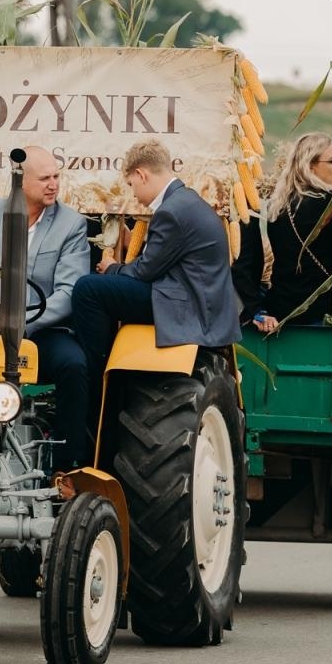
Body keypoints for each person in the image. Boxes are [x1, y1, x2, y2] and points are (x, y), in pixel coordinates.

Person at [69, 139, 240, 454]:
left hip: (187, 303)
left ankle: (96, 373)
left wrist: (111, 267)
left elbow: (143, 272)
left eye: (132, 184)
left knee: (87, 289)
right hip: (195, 296)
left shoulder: (171, 212)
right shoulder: (187, 202)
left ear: (142, 174)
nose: (134, 194)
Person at [0, 146, 92, 470]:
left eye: (57, 177)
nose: (54, 184)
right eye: (45, 178)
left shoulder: (71, 224)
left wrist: (23, 323)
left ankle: (67, 466)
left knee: (74, 365)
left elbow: (68, 291)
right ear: (20, 182)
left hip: (40, 328)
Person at [235, 132, 332, 334]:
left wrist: (257, 308)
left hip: (283, 313)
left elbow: (250, 264)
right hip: (325, 315)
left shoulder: (277, 207)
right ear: (310, 166)